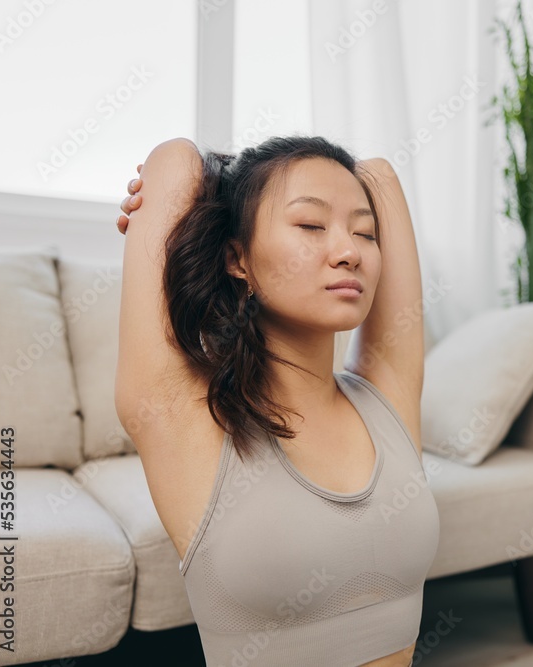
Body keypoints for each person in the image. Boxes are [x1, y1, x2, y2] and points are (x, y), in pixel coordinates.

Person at [114, 136, 440, 666]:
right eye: (311, 226)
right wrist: (201, 196)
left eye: (364, 232)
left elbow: (380, 175)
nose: (349, 251)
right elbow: (175, 161)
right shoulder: (185, 417)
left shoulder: (387, 400)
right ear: (236, 257)